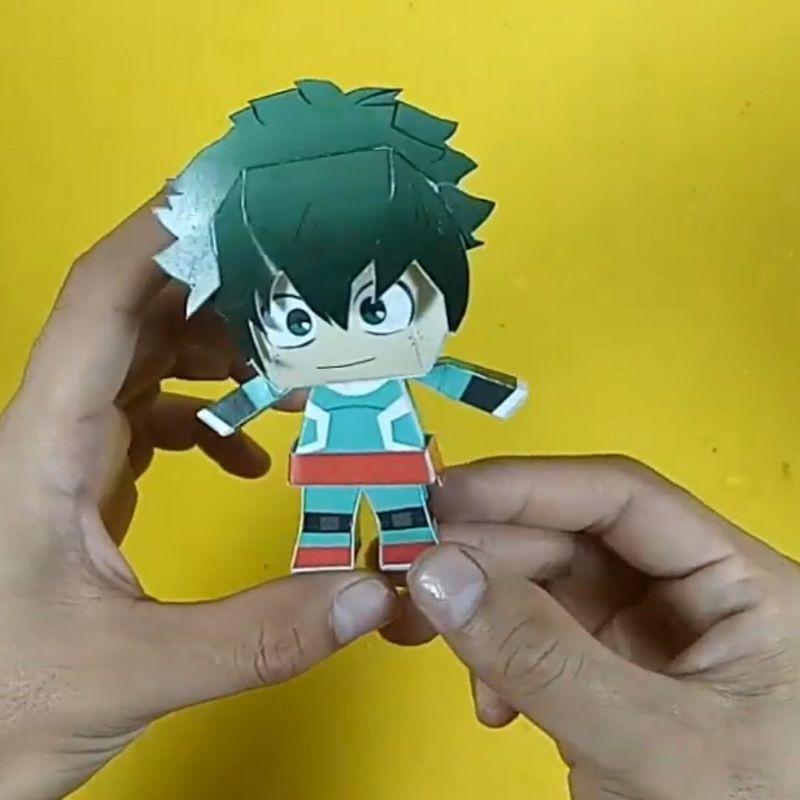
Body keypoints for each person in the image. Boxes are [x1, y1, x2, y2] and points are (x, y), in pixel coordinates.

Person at [0, 199, 797, 800]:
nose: (340, 337)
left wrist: (493, 392)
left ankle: (406, 567)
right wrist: (224, 413)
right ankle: (330, 576)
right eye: (300, 318)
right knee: (330, 535)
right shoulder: (299, 374)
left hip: (396, 464)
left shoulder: (401, 367)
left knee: (414, 533)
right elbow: (258, 391)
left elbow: (450, 376)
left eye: (374, 310)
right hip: (326, 469)